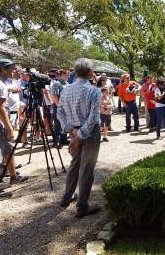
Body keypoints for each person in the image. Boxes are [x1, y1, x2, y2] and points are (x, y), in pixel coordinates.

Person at [57, 58, 101, 218]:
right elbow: (94, 117)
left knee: (75, 165)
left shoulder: (66, 89)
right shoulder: (94, 90)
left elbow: (59, 112)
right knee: (86, 169)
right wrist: (80, 135)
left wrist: (72, 130)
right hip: (89, 133)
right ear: (89, 72)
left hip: (75, 130)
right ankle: (82, 206)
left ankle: (66, 197)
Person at [0, 59, 28, 198]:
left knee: (8, 149)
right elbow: (0, 109)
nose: (13, 71)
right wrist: (9, 128)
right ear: (2, 69)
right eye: (11, 68)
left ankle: (14, 176)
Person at [51, 69, 69, 148]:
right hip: (59, 107)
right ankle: (56, 141)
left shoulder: (67, 84)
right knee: (58, 124)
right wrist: (59, 106)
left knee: (65, 123)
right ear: (62, 74)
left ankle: (63, 139)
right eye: (67, 75)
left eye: (69, 75)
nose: (68, 76)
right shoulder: (57, 84)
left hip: (66, 107)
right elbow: (55, 96)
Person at [5, 69, 21, 133]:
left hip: (15, 105)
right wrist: (10, 89)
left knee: (13, 123)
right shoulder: (4, 81)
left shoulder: (15, 81)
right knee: (8, 124)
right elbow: (2, 88)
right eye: (13, 72)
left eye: (15, 72)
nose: (14, 74)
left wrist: (18, 90)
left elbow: (18, 90)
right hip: (8, 106)